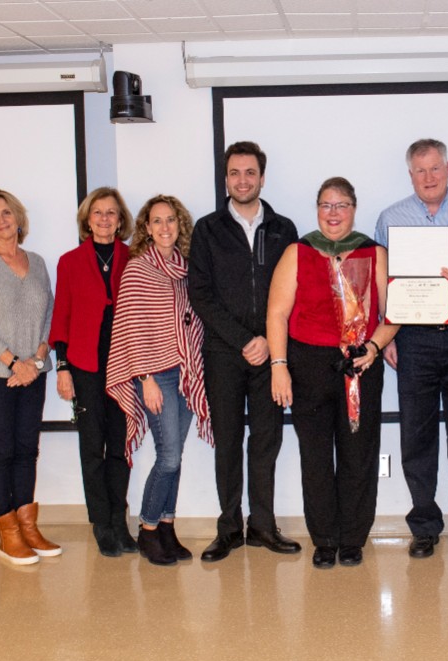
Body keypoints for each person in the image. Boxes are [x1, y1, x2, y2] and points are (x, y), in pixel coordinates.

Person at [266, 177, 400, 569]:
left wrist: (374, 347)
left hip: (360, 364)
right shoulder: (299, 251)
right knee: (316, 456)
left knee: (359, 455)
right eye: (326, 205)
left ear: (354, 209)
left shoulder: (374, 253)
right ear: (317, 210)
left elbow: (394, 313)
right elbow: (276, 313)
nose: (333, 213)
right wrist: (279, 366)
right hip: (308, 367)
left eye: (341, 205)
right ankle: (324, 538)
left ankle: (353, 538)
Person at [374, 138, 448, 560]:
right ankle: (424, 526)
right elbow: (382, 283)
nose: (428, 177)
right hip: (413, 339)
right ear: (410, 175)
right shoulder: (390, 218)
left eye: (435, 168)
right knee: (417, 438)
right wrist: (387, 336)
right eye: (420, 170)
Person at [188, 141, 302, 561]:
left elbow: (294, 291)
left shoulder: (283, 229)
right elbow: (200, 293)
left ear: (262, 178)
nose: (242, 180)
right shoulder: (207, 229)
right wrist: (243, 340)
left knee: (267, 440)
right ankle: (229, 528)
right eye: (234, 173)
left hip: (273, 355)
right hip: (224, 353)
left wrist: (269, 343)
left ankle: (263, 525)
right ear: (226, 179)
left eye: (250, 172)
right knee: (228, 440)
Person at [106, 195, 213, 566]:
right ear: (147, 228)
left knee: (175, 456)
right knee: (167, 457)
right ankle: (148, 528)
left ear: (180, 225)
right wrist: (146, 378)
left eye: (171, 220)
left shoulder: (186, 269)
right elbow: (130, 329)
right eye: (157, 221)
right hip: (156, 375)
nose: (165, 227)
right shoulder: (138, 270)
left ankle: (167, 527)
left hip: (186, 372)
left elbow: (192, 321)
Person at [0, 188, 60, 566]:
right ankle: (8, 535)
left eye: (7, 212)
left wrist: (37, 359)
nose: (2, 220)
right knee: (2, 452)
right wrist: (14, 362)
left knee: (27, 450)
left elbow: (50, 314)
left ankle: (28, 527)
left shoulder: (37, 262)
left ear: (18, 217)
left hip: (33, 372)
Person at [49, 187, 136, 557]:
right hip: (85, 367)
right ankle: (101, 523)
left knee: (120, 447)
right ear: (87, 219)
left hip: (123, 367)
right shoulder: (69, 262)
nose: (104, 219)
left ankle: (119, 520)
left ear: (120, 219)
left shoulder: (133, 257)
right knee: (92, 448)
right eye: (97, 212)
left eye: (111, 212)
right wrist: (62, 368)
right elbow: (62, 317)